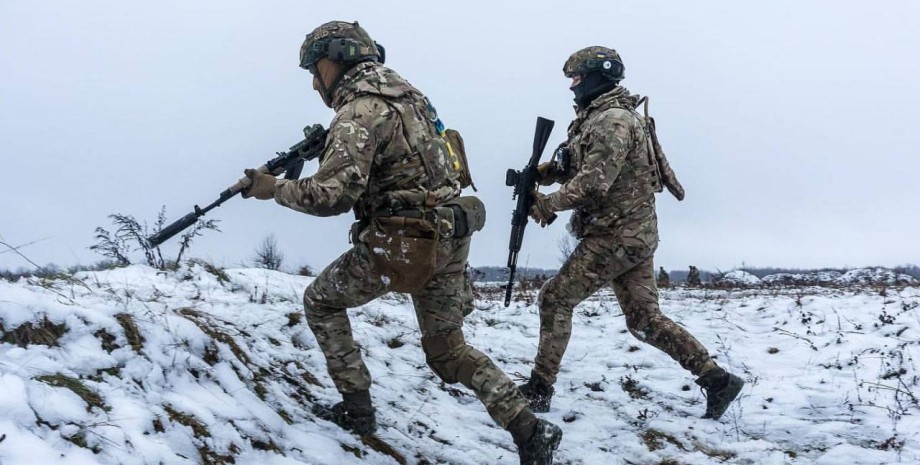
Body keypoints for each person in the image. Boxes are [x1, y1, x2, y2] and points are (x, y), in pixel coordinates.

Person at [241, 21, 561, 464]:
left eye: (316, 69)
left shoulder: (357, 112)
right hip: (450, 232)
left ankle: (358, 409)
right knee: (447, 351)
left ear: (338, 59)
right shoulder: (411, 98)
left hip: (406, 242)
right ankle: (531, 430)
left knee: (321, 302)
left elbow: (331, 196)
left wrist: (273, 188)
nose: (315, 82)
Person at [520, 46, 744, 421]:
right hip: (632, 234)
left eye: (577, 78)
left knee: (555, 299)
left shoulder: (613, 121)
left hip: (616, 236)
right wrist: (547, 172)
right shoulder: (598, 118)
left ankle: (539, 389)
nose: (572, 86)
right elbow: (581, 164)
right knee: (644, 321)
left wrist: (548, 204)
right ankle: (717, 380)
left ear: (596, 77)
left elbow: (594, 184)